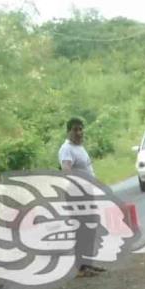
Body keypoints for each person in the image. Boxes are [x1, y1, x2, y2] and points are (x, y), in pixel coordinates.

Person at [58, 117, 103, 275]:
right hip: (77, 194)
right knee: (82, 229)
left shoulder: (79, 147)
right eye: (75, 129)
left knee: (90, 228)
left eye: (80, 129)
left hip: (86, 192)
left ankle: (87, 263)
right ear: (68, 131)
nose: (78, 132)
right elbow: (66, 171)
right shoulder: (67, 149)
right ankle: (81, 268)